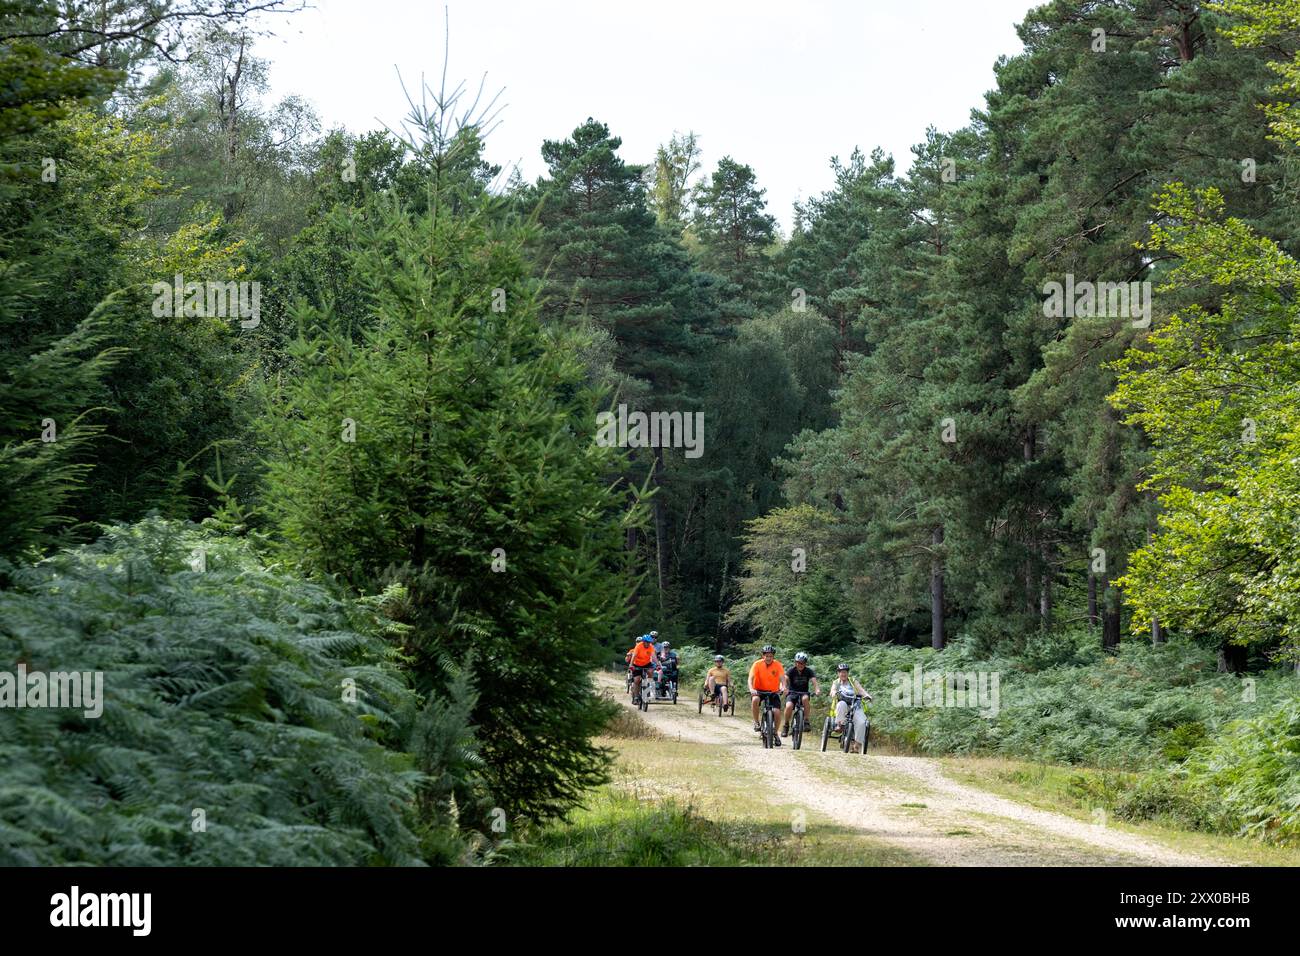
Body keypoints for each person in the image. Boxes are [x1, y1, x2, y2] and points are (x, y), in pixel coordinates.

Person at [748, 645, 787, 746]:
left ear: (773, 656)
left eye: (771, 656)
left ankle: (775, 733)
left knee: (777, 712)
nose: (769, 658)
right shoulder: (757, 664)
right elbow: (750, 678)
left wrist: (783, 687)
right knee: (755, 700)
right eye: (767, 656)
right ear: (763, 656)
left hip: (773, 691)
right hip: (758, 691)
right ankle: (756, 722)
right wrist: (751, 689)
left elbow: (782, 678)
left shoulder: (778, 665)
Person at [829, 663, 872, 753]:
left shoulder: (853, 681)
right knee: (841, 704)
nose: (843, 674)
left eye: (845, 672)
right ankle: (840, 725)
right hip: (843, 704)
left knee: (861, 722)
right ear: (838, 673)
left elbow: (861, 690)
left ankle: (856, 746)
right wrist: (833, 693)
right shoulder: (836, 682)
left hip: (855, 705)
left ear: (847, 673)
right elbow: (833, 690)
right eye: (841, 672)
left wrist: (867, 695)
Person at [781, 652, 819, 737]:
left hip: (804, 693)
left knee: (805, 699)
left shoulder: (809, 671)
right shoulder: (791, 670)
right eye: (798, 662)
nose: (800, 664)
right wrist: (784, 687)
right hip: (792, 693)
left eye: (803, 663)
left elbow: (814, 681)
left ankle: (806, 721)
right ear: (795, 662)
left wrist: (817, 689)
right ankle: (786, 725)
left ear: (805, 663)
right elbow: (785, 680)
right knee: (789, 706)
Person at [627, 635, 657, 705]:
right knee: (636, 680)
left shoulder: (650, 646)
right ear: (643, 642)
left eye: (649, 642)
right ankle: (636, 697)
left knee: (650, 671)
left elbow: (654, 656)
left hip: (646, 663)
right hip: (636, 664)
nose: (648, 644)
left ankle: (648, 686)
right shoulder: (639, 646)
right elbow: (634, 656)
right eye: (646, 642)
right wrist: (631, 665)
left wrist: (658, 664)